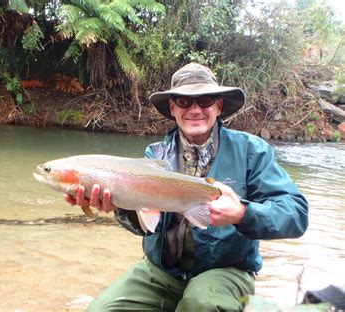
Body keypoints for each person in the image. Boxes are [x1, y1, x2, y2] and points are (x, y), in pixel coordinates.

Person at [64, 63, 309, 311]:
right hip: (163, 272)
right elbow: (147, 225)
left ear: (219, 106)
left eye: (205, 100)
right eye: (184, 101)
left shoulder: (251, 151)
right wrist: (117, 206)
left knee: (201, 303)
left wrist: (242, 214)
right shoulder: (155, 155)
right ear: (172, 108)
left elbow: (295, 214)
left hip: (226, 269)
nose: (195, 109)